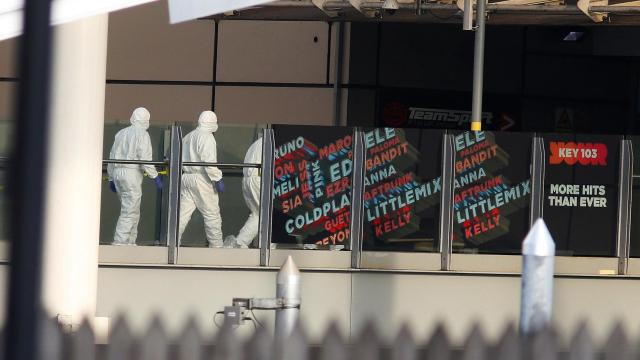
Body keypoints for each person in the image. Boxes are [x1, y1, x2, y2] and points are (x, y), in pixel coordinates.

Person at [108, 107, 162, 246]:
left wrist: (111, 177)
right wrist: (155, 176)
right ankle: (119, 242)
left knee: (132, 209)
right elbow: (144, 159)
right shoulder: (142, 134)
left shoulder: (121, 133)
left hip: (118, 172)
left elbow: (112, 156)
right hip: (131, 174)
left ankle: (130, 241)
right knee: (129, 211)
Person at [178, 111, 225, 247]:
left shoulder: (188, 136)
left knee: (182, 214)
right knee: (212, 214)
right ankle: (216, 247)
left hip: (186, 178)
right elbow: (208, 162)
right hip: (202, 179)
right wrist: (217, 178)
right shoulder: (207, 137)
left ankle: (172, 241)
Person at [225, 136, 262, 248]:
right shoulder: (274, 143)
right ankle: (269, 245)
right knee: (269, 213)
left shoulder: (258, 143)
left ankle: (240, 242)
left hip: (248, 179)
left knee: (258, 214)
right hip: (259, 179)